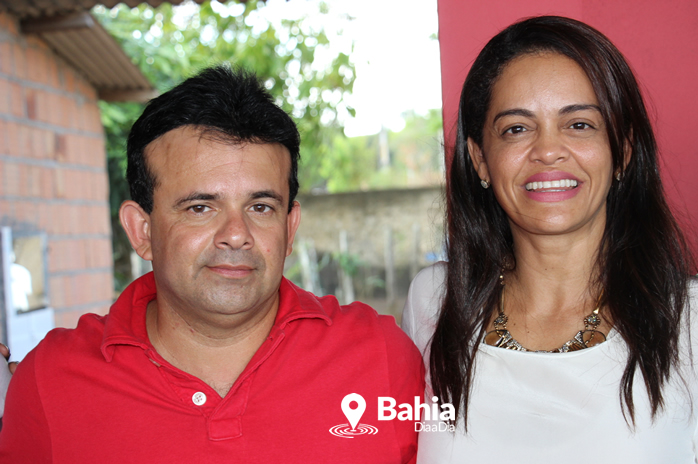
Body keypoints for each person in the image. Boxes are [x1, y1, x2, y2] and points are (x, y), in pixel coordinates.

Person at [0, 66, 424, 462]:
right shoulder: (51, 383)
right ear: (142, 231)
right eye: (200, 207)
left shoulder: (380, 355)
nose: (236, 234)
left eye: (260, 206)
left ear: (290, 228)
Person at [402, 16, 698, 463]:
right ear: (480, 160)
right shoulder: (435, 300)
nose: (547, 150)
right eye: (516, 129)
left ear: (622, 151)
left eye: (579, 124)